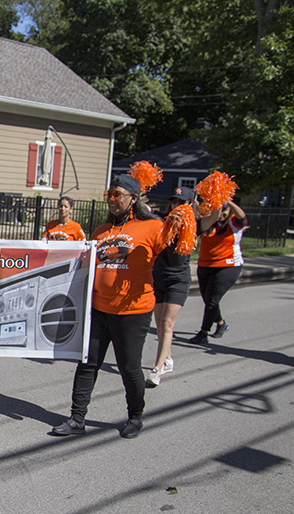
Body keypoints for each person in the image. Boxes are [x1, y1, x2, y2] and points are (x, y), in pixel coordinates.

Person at [52, 175, 166, 439]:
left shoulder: (151, 227)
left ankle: (135, 417)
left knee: (130, 367)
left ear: (133, 199)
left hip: (133, 312)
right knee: (88, 363)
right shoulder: (101, 232)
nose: (112, 200)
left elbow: (174, 258)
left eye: (118, 195)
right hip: (99, 310)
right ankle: (77, 418)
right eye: (109, 195)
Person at [147, 186, 197, 387]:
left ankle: (157, 369)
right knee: (160, 324)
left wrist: (219, 203)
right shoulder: (162, 221)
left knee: (167, 324)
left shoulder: (195, 225)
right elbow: (147, 212)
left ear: (190, 205)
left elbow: (212, 219)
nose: (176, 206)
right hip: (159, 277)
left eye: (181, 202)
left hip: (179, 280)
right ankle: (167, 359)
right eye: (174, 202)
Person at [188, 200, 246, 345]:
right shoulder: (208, 222)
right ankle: (221, 324)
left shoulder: (234, 223)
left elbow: (242, 216)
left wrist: (228, 202)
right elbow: (196, 219)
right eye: (219, 210)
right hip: (205, 265)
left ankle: (203, 332)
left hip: (228, 266)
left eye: (224, 210)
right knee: (208, 300)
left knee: (212, 299)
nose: (221, 213)